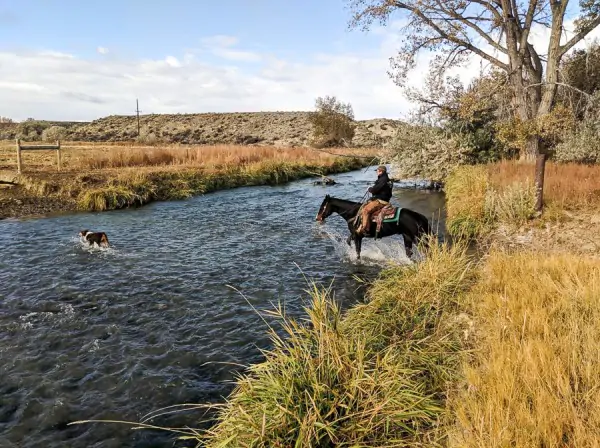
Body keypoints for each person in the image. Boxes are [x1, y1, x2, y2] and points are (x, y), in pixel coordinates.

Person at [355, 165, 393, 235]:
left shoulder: (383, 179)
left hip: (380, 201)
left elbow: (374, 190)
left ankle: (365, 229)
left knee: (365, 210)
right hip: (384, 199)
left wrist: (369, 189)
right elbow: (380, 188)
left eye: (377, 171)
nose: (376, 173)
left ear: (381, 171)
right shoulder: (387, 180)